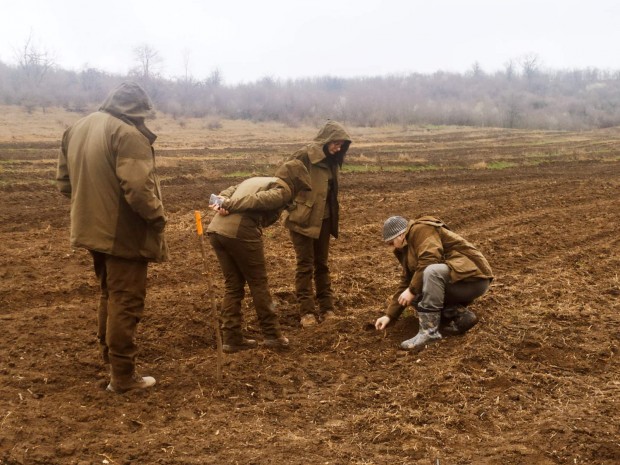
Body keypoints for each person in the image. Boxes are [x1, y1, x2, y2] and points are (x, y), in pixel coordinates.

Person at [56, 82, 168, 393]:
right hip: (123, 235)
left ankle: (111, 362)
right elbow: (139, 191)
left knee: (110, 294)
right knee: (126, 300)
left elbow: (65, 186)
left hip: (91, 230)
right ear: (139, 110)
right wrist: (158, 219)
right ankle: (123, 376)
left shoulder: (77, 128)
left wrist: (93, 204)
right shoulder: (128, 134)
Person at [207, 160, 312, 353]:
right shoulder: (283, 191)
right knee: (258, 284)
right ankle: (272, 335)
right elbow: (257, 200)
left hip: (216, 231)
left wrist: (221, 200)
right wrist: (228, 204)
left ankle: (231, 337)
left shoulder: (257, 179)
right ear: (296, 182)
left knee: (233, 285)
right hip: (241, 232)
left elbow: (229, 190)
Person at [375, 215, 493, 352]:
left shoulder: (421, 229)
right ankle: (461, 316)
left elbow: (430, 260)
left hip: (473, 278)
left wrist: (411, 290)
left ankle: (429, 333)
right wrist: (390, 315)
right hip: (456, 280)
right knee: (414, 293)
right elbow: (406, 281)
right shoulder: (405, 248)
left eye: (391, 243)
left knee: (430, 272)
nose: (391, 248)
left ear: (401, 234)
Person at [282, 120, 352, 328]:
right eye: (335, 144)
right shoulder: (304, 156)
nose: (338, 148)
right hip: (302, 221)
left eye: (341, 145)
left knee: (322, 265)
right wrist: (293, 207)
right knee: (305, 265)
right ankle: (307, 312)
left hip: (324, 220)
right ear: (326, 139)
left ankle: (327, 308)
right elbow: (281, 182)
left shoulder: (333, 160)